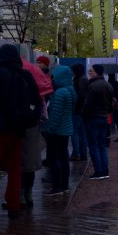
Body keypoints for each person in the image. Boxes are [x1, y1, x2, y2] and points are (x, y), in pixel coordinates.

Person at [0, 44, 39, 221]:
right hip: (18, 129)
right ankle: (14, 206)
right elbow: (36, 100)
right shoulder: (24, 75)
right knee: (15, 169)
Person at [18, 58, 53, 208]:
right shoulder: (38, 91)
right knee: (30, 165)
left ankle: (20, 196)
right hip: (33, 128)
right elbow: (42, 110)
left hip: (21, 129)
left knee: (20, 165)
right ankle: (28, 195)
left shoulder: (19, 88)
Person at [43, 65, 76, 196]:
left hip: (57, 131)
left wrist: (49, 130)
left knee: (55, 158)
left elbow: (55, 115)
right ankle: (65, 185)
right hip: (66, 129)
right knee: (63, 158)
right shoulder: (71, 91)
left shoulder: (59, 93)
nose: (52, 79)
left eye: (54, 76)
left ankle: (57, 187)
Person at [83, 64, 114, 179]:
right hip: (104, 117)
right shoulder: (108, 85)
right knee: (102, 145)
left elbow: (88, 104)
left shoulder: (92, 86)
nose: (89, 73)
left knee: (93, 145)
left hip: (93, 118)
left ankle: (98, 171)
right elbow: (111, 103)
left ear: (96, 72)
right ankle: (105, 170)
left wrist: (84, 115)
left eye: (91, 71)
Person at [70, 63, 88, 161]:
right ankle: (83, 154)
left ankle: (76, 153)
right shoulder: (85, 80)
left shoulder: (78, 81)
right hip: (84, 111)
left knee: (74, 132)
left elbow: (79, 97)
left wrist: (75, 107)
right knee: (82, 133)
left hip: (77, 111)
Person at [108, 73, 118, 142]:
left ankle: (107, 137)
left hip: (108, 103)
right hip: (116, 103)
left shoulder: (108, 84)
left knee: (108, 119)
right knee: (116, 119)